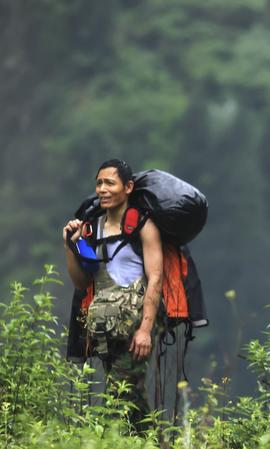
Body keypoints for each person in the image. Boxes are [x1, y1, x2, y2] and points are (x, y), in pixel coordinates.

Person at [62, 158, 163, 431]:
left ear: (128, 187)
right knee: (128, 396)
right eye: (99, 183)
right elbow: (82, 282)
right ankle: (151, 441)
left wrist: (145, 329)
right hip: (107, 326)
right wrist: (70, 247)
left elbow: (156, 278)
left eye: (110, 183)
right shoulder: (91, 229)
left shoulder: (143, 225)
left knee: (120, 397)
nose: (102, 189)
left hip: (134, 325)